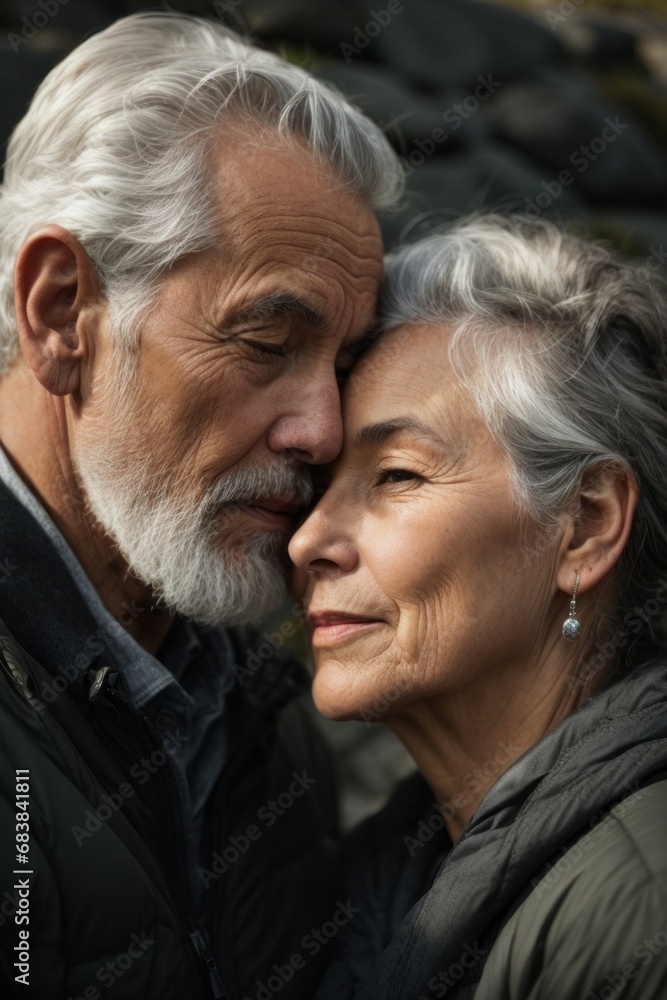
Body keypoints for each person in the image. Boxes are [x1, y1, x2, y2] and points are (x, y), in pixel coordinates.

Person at [0, 12, 402, 999]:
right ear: (61, 313)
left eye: (344, 367)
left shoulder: (257, 707)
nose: (320, 429)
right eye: (267, 342)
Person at [290, 214, 667, 999]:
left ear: (586, 526)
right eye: (316, 486)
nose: (308, 540)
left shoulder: (638, 913)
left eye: (395, 475)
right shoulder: (384, 878)